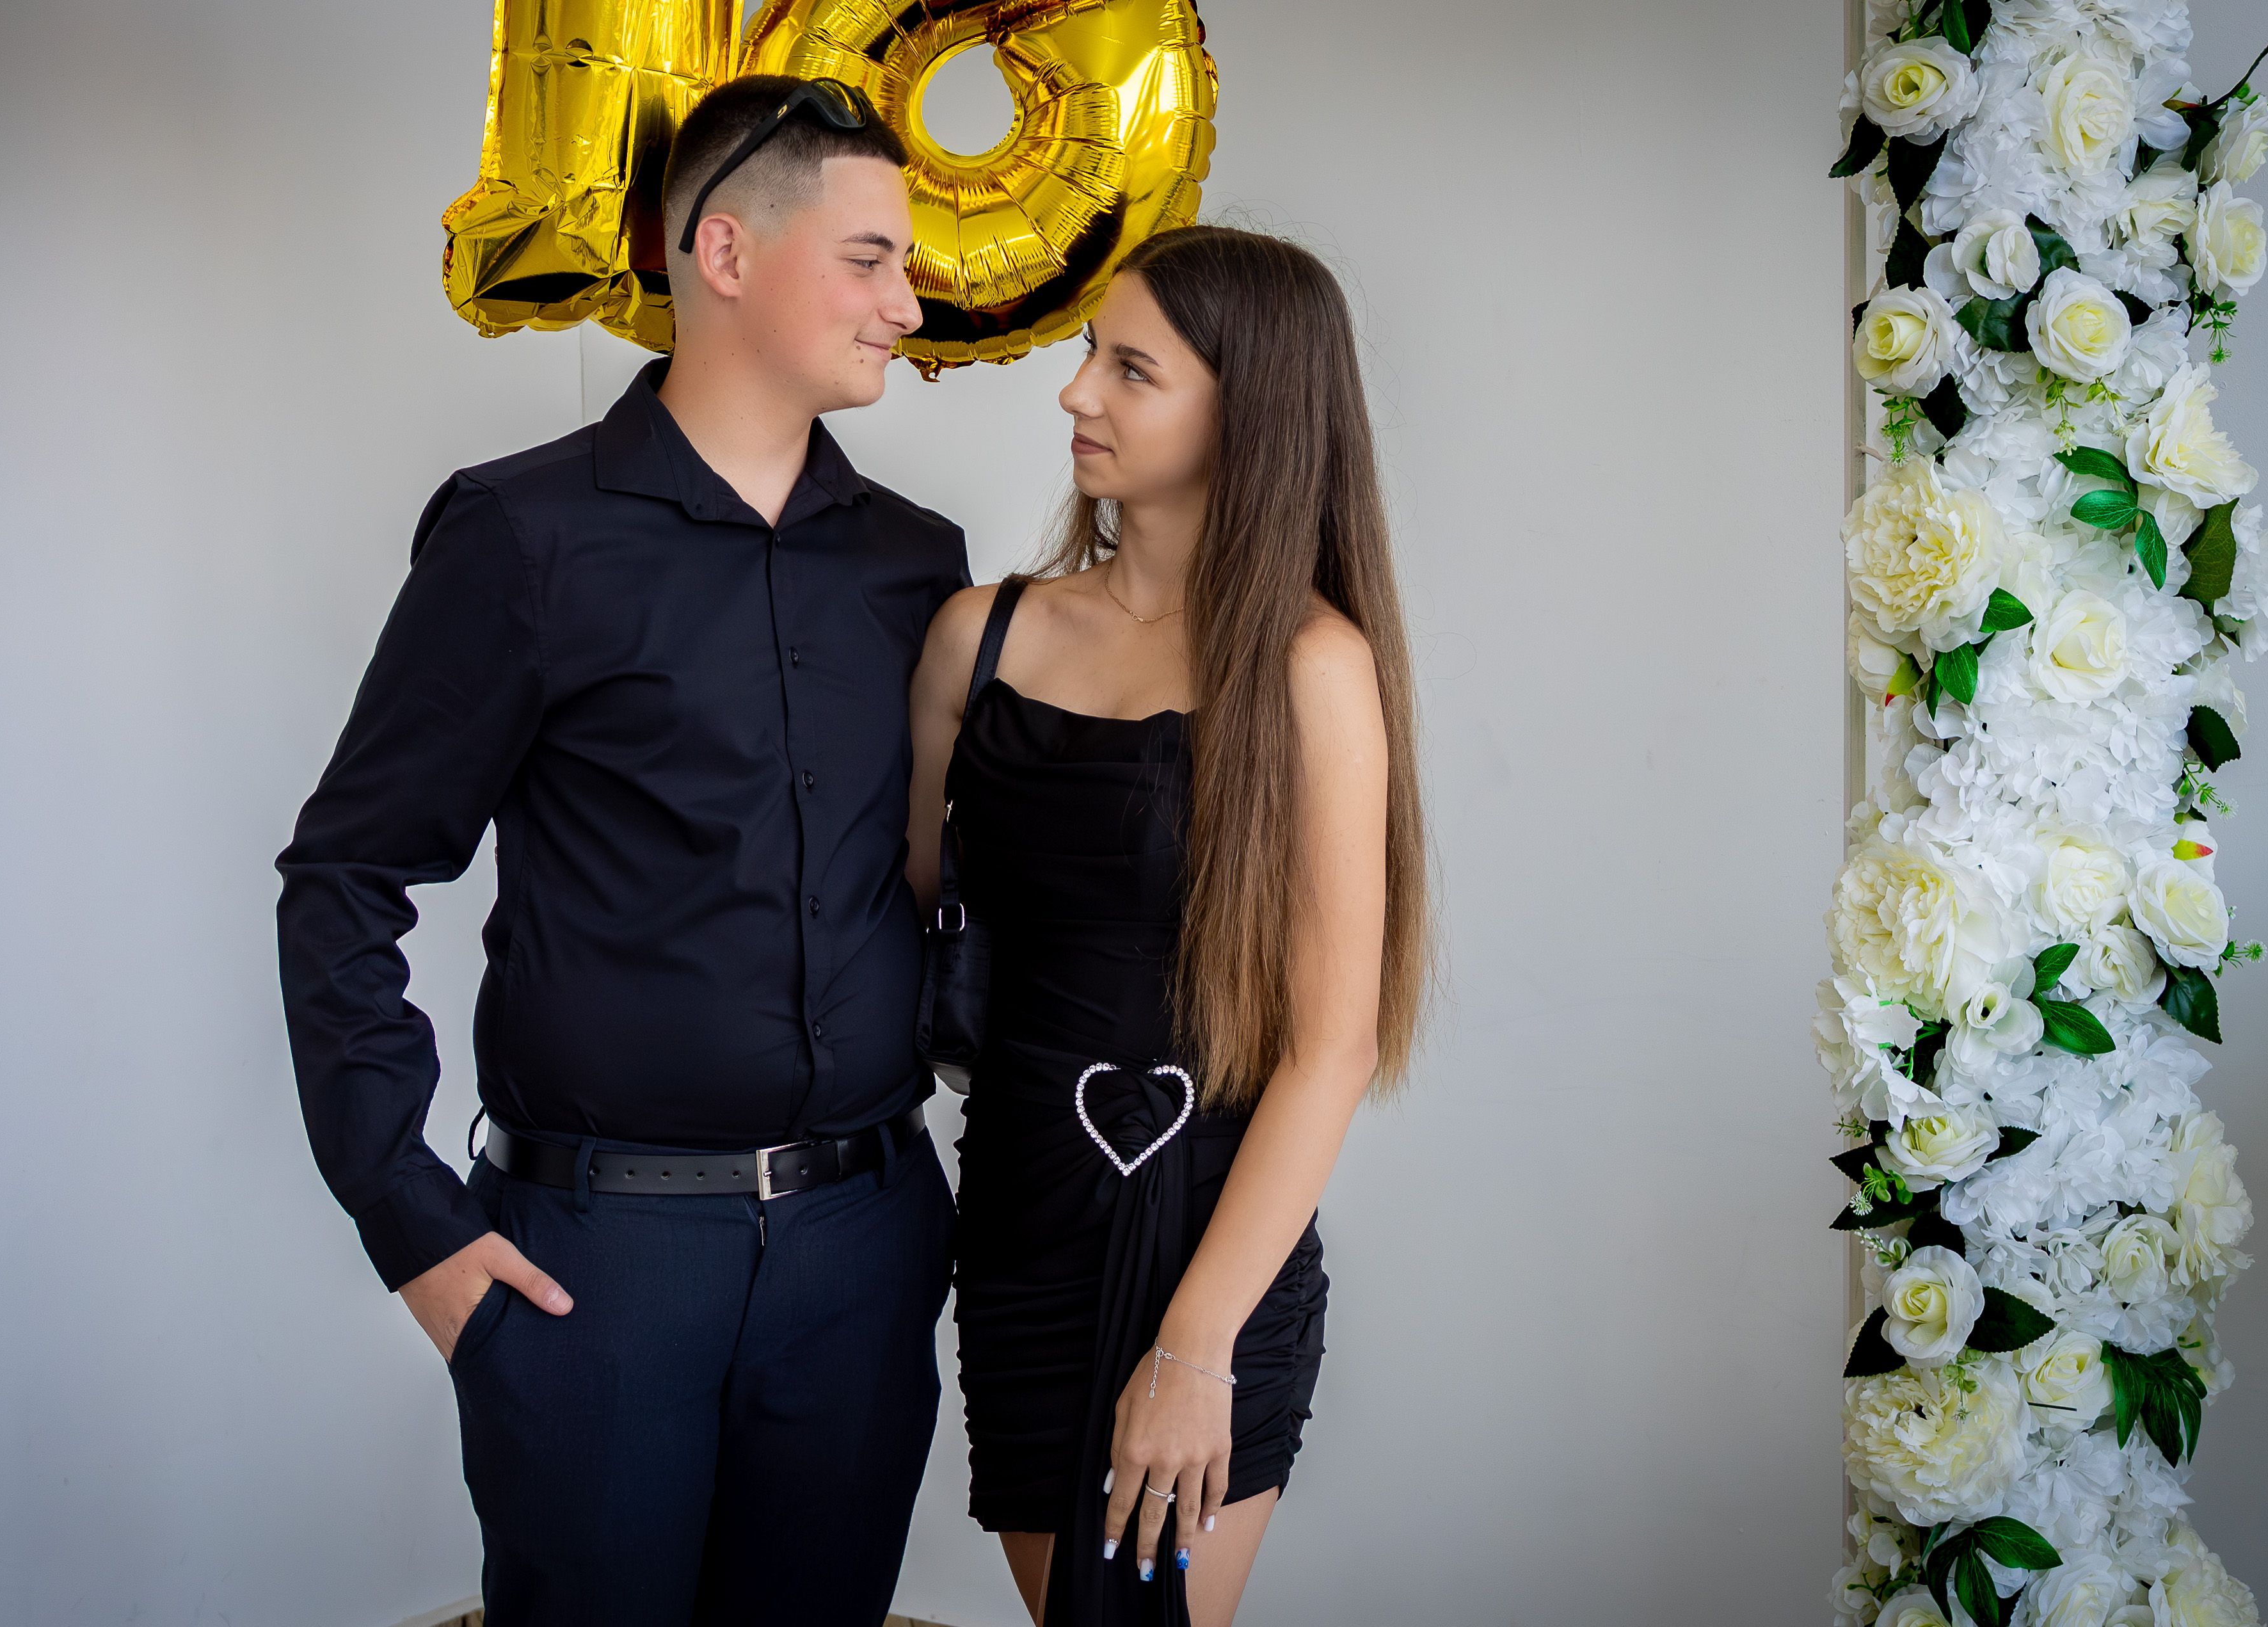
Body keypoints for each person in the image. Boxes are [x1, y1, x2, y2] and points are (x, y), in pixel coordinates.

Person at [275, 76, 968, 1625]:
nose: (907, 307)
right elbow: (346, 877)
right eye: (869, 260)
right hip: (599, 1261)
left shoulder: (919, 563)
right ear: (723, 251)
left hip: (865, 1248)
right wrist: (412, 1220)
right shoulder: (521, 537)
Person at [906, 225, 1431, 1626]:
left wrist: (1196, 1348)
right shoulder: (977, 637)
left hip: (1215, 1247)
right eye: (1091, 354)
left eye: (1130, 369)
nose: (1075, 391)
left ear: (1245, 411)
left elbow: (1331, 1048)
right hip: (1017, 1227)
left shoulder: (1314, 667)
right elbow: (909, 926)